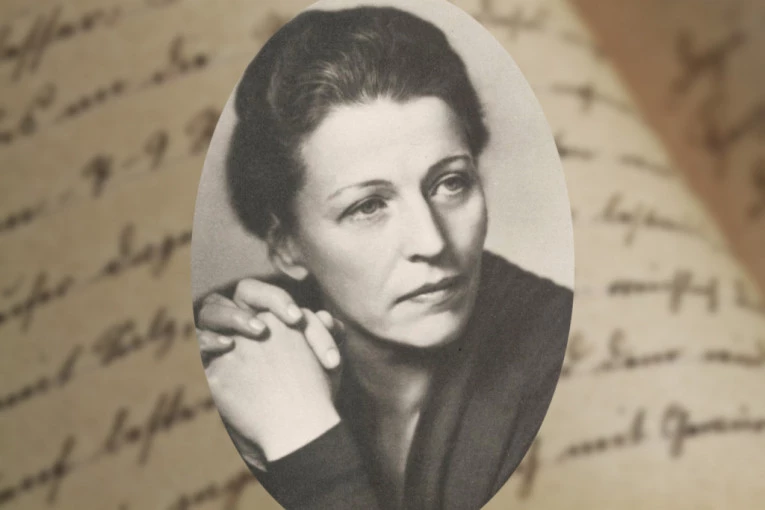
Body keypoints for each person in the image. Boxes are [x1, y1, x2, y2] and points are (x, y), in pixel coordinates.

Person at [193, 6, 573, 510]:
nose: (432, 242)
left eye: (450, 183)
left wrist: (301, 438)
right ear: (287, 246)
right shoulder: (229, 352)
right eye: (368, 206)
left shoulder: (562, 347)